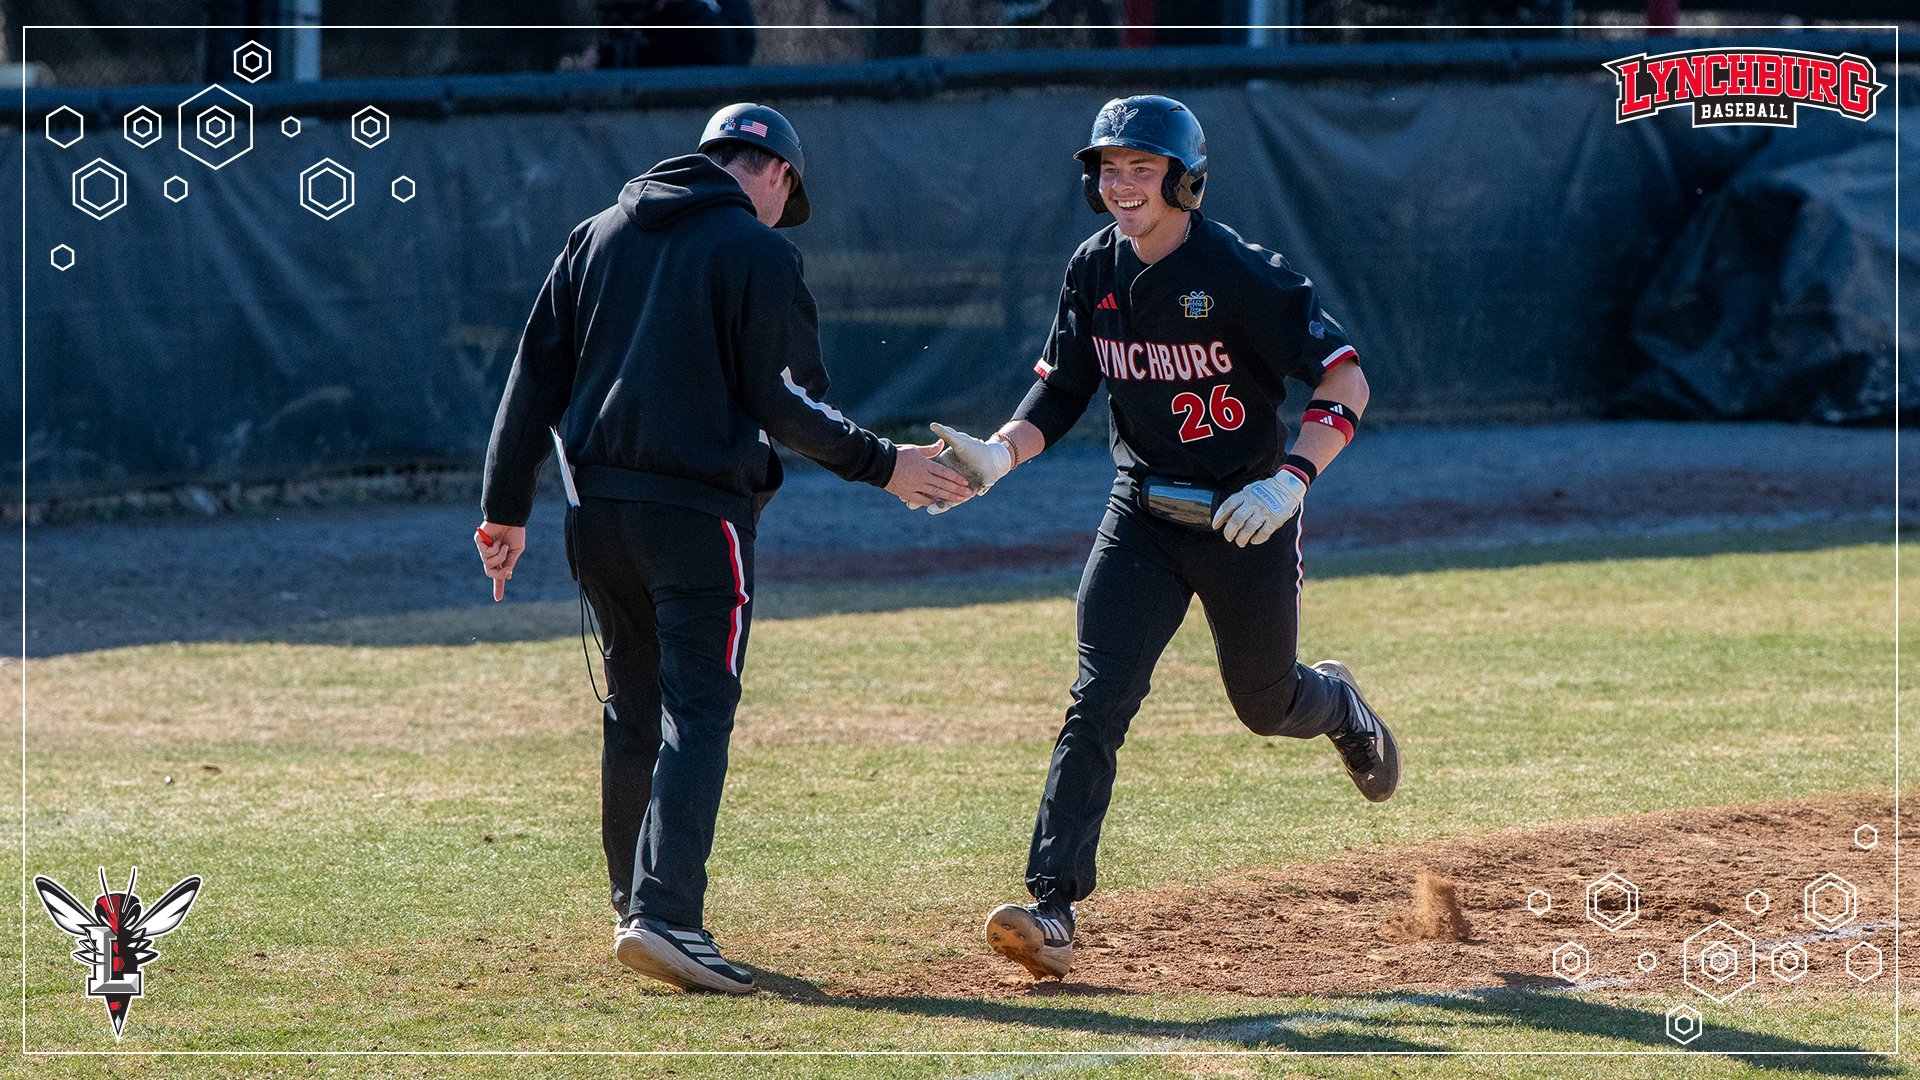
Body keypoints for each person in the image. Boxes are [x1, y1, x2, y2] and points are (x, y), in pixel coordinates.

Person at [474, 103, 970, 994]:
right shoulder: (757, 249)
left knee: (633, 709)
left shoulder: (596, 233)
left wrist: (502, 511)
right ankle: (667, 917)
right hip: (698, 521)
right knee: (696, 710)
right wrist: (884, 463)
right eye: (789, 192)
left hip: (595, 518)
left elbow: (532, 376)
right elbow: (785, 401)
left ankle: (634, 904)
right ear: (774, 171)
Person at [928, 95, 1399, 981]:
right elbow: (1062, 391)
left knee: (1266, 705)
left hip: (1244, 516)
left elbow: (1346, 379)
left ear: (1186, 180)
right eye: (1109, 169)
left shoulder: (1237, 271)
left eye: (1141, 168)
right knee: (1097, 697)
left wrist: (1290, 479)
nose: (1121, 185)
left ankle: (1337, 704)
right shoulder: (1092, 267)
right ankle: (1053, 907)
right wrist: (999, 455)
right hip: (1141, 511)